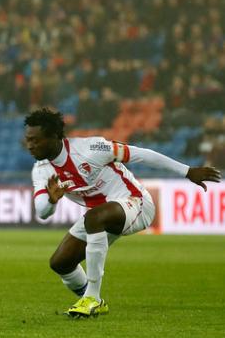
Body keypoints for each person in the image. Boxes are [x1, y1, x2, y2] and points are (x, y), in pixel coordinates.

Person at [24, 108, 220, 317]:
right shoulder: (41, 170)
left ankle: (93, 298)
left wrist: (187, 171)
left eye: (35, 140)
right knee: (60, 263)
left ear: (54, 136)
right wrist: (53, 201)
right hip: (100, 216)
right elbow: (42, 211)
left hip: (136, 203)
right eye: (28, 140)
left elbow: (141, 155)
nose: (30, 145)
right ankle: (87, 298)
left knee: (94, 217)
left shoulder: (91, 148)